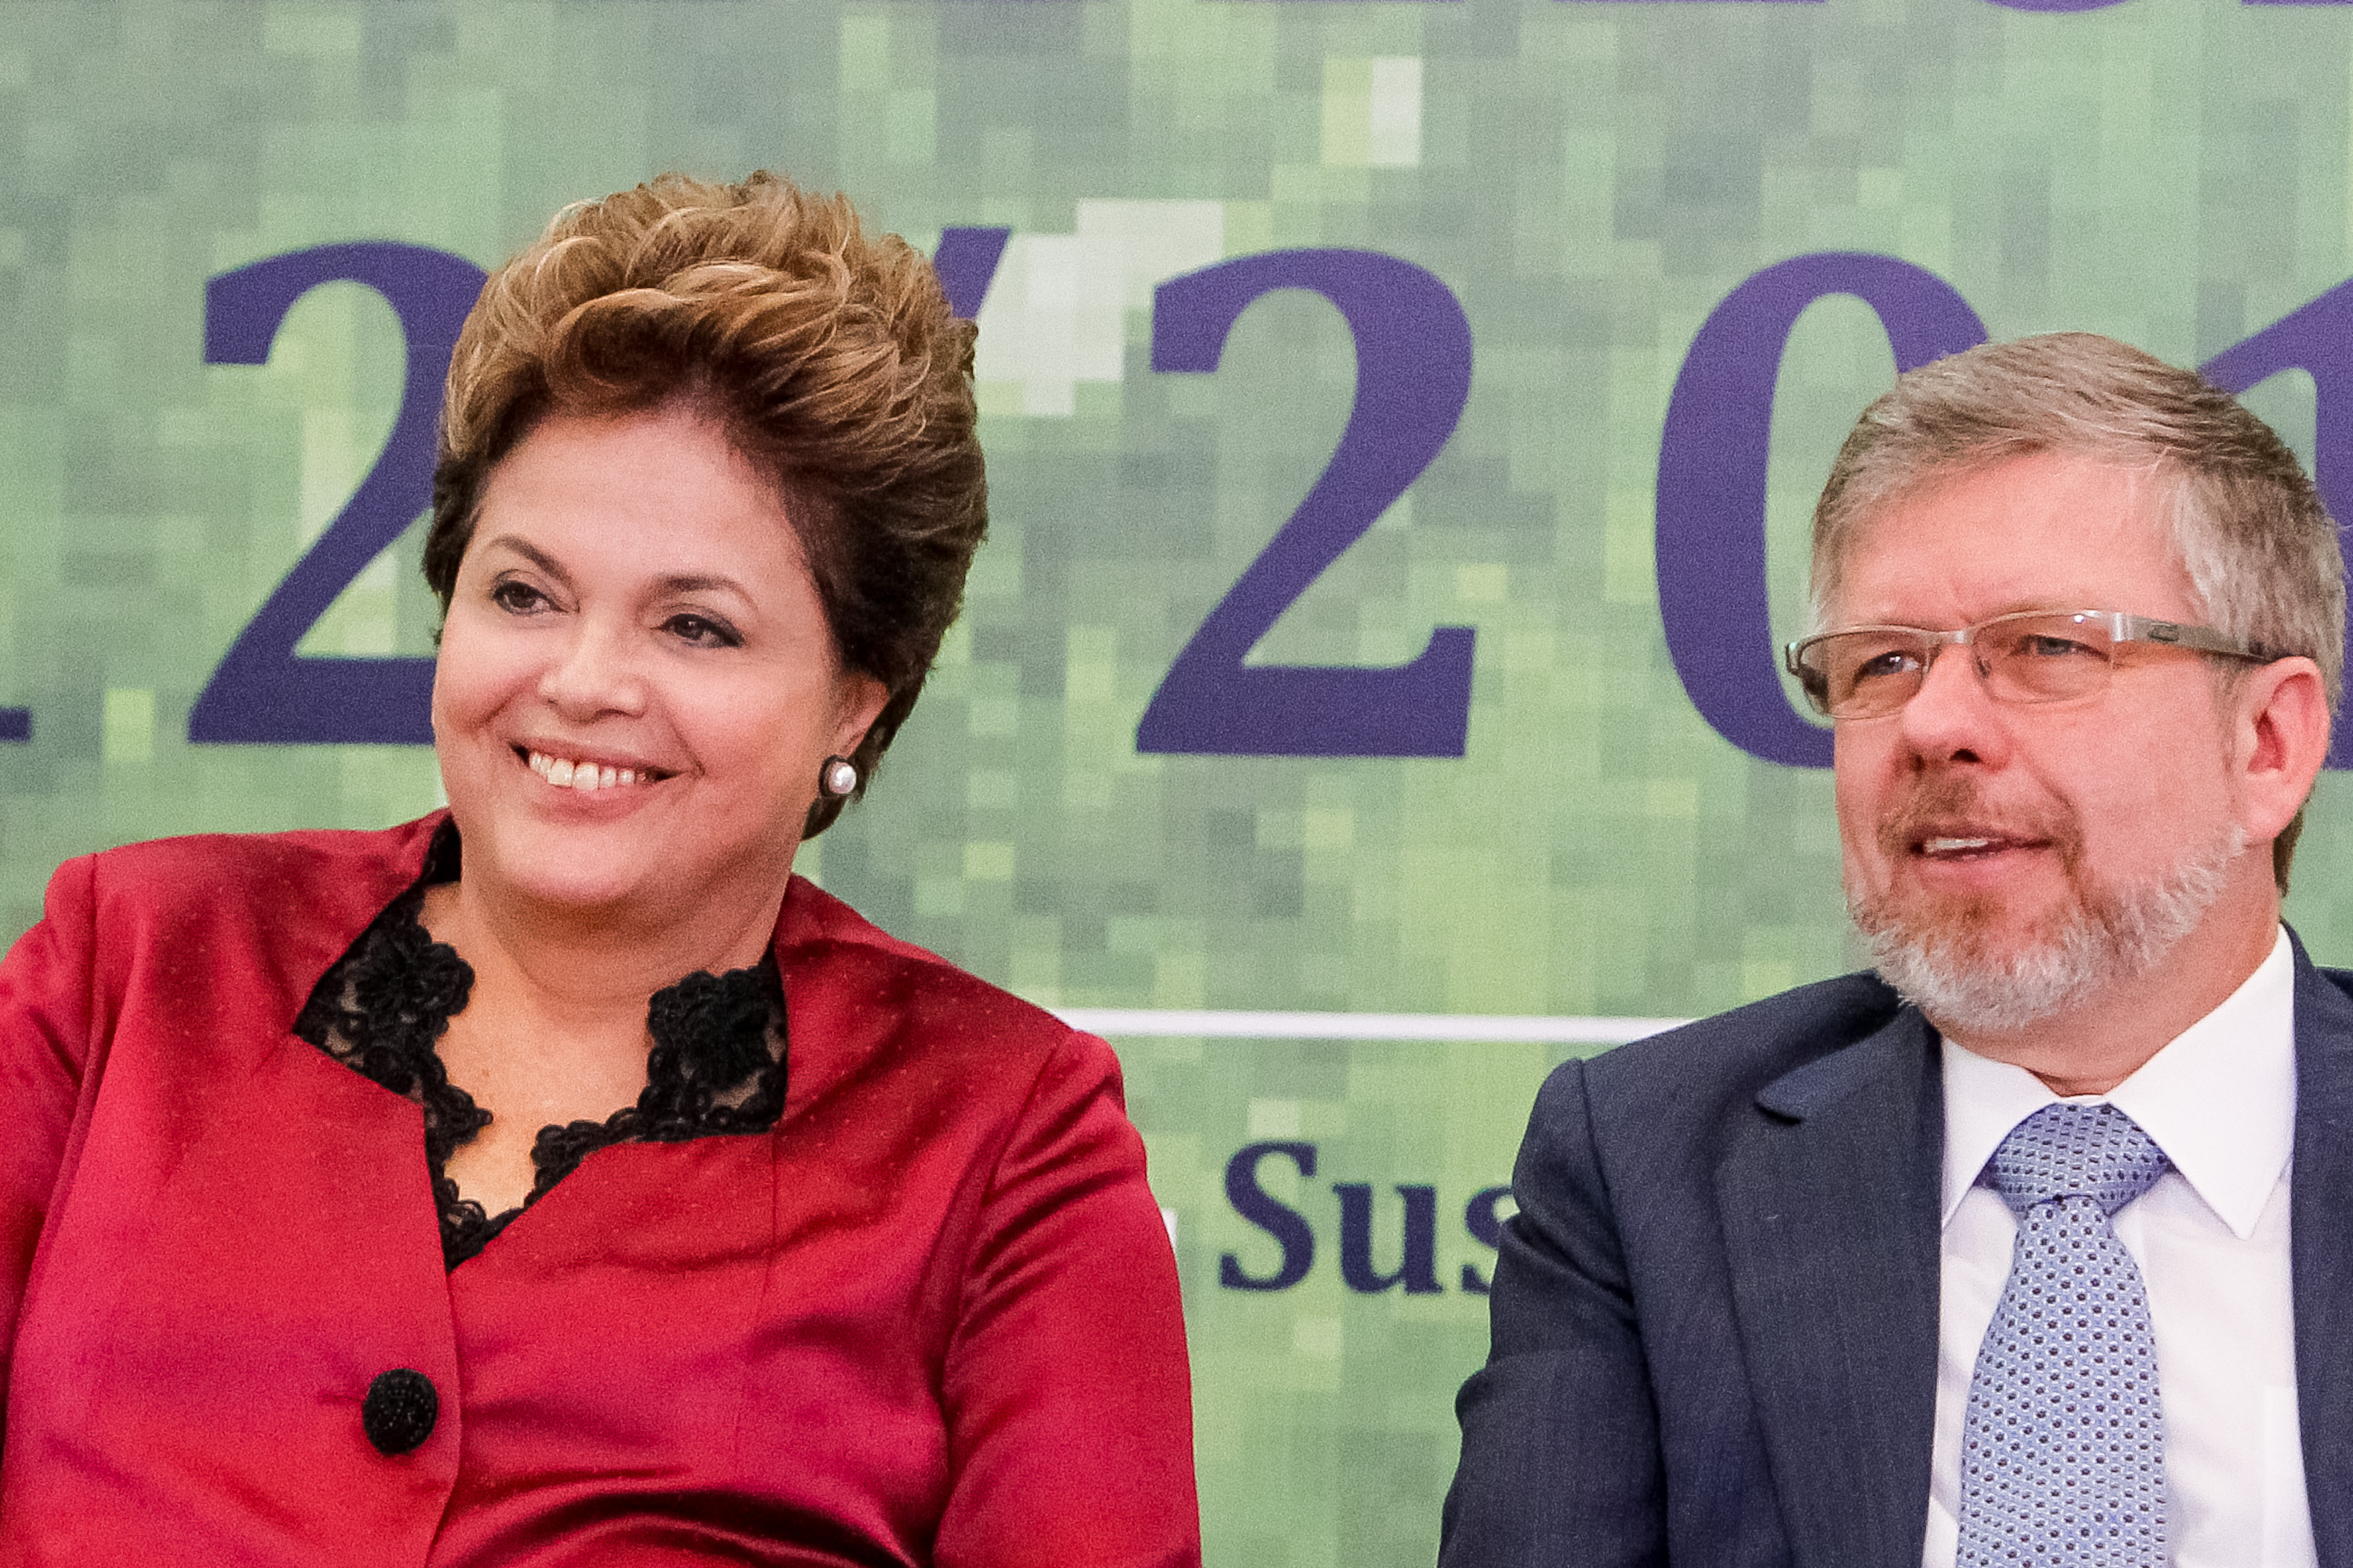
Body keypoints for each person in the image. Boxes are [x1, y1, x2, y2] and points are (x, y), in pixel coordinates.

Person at [0, 172, 1199, 1567]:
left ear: (855, 700)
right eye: (525, 593)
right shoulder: (134, 961)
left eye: (694, 627)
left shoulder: (1008, 1144)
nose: (582, 681)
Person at [1442, 333, 2348, 1567]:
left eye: (2047, 648)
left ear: (2266, 743)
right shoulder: (1649, 1167)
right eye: (1881, 663)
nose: (1931, 723)